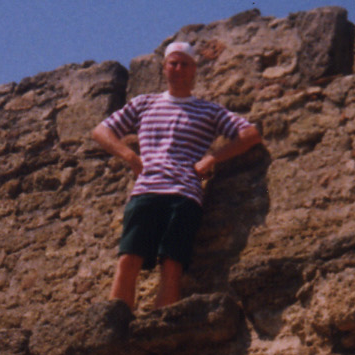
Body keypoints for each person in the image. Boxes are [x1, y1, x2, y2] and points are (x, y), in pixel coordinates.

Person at [91, 41, 260, 316]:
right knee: (128, 257)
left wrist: (211, 159)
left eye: (184, 64)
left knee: (172, 263)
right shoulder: (144, 103)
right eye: (173, 63)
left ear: (194, 70)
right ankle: (114, 321)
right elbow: (101, 131)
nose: (178, 69)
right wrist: (130, 156)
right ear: (164, 68)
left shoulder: (209, 110)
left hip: (185, 194)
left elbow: (250, 134)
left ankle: (162, 321)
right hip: (146, 190)